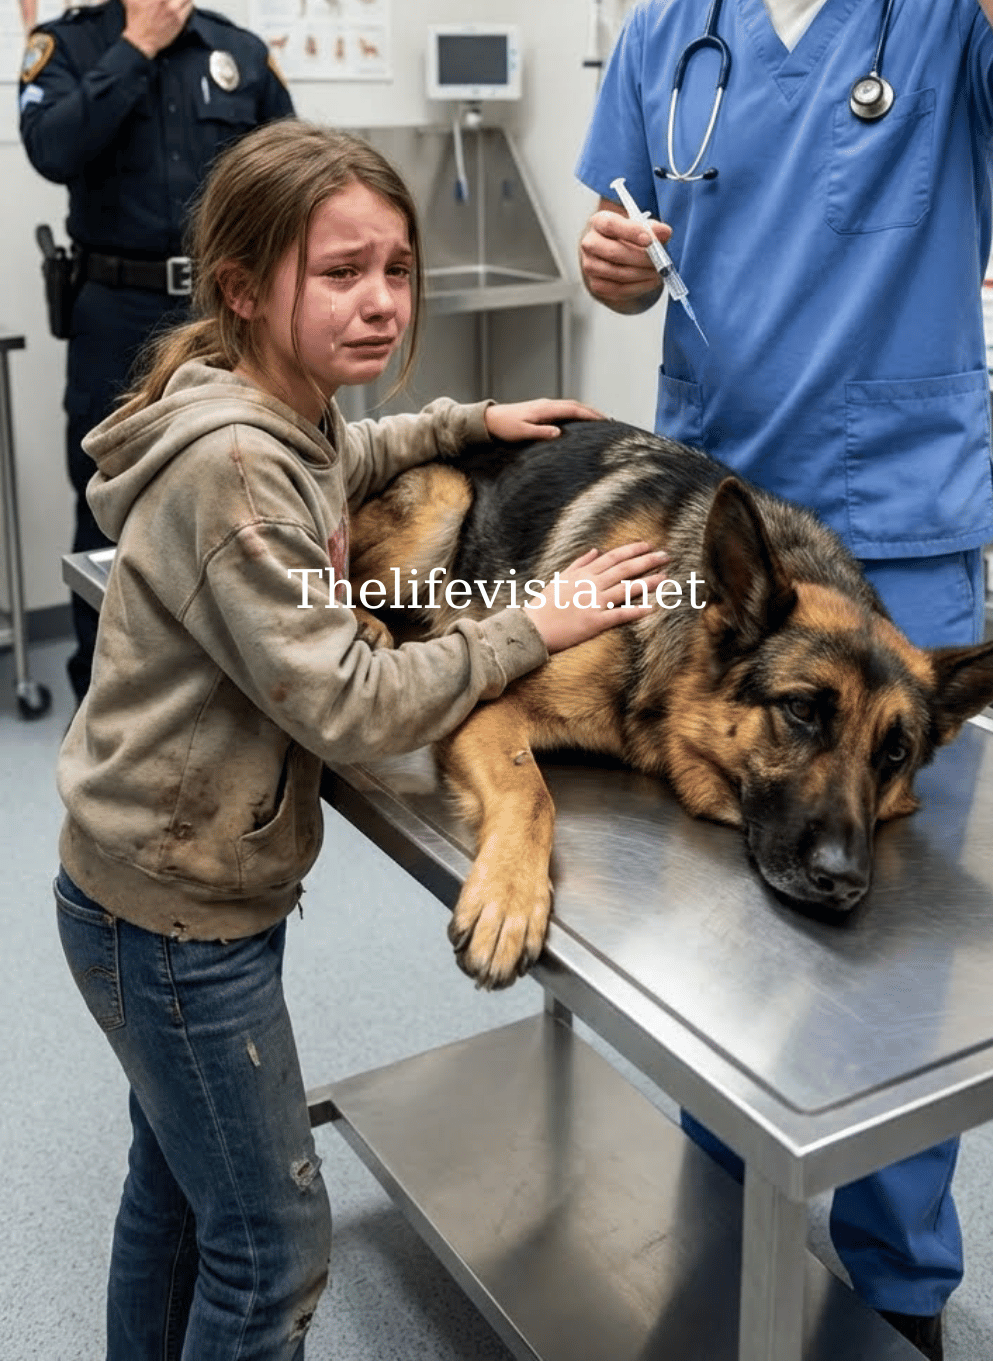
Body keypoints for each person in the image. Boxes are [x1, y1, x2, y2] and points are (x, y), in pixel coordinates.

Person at [576, 0, 993, 1361]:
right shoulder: (672, 27)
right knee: (722, 927)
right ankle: (732, 1239)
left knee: (892, 965)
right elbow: (633, 241)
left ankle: (900, 1295)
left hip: (898, 565)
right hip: (712, 563)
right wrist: (620, 271)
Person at [55, 118, 667, 1360]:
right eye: (341, 274)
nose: (382, 302)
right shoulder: (233, 468)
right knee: (270, 1245)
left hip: (152, 882)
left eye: (396, 269)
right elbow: (349, 705)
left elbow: (349, 453)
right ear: (242, 289)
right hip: (177, 915)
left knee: (175, 1195)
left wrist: (471, 422)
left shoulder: (276, 409)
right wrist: (531, 628)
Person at [19, 0, 294, 702]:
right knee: (109, 507)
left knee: (244, 496)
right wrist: (136, 45)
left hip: (224, 316)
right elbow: (51, 150)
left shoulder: (236, 52)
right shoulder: (68, 47)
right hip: (116, 313)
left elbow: (293, 176)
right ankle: (100, 703)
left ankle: (240, 687)